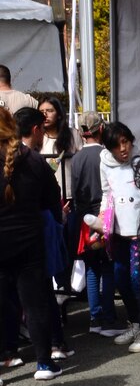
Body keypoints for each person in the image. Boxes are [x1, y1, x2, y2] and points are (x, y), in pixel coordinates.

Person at [0, 107, 62, 380]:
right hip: (29, 241)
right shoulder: (34, 161)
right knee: (35, 303)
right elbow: (53, 199)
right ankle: (44, 363)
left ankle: (6, 357)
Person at [16, 106, 73, 362]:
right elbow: (52, 197)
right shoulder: (33, 160)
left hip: (13, 235)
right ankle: (53, 346)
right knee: (41, 294)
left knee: (19, 294)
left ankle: (12, 347)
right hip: (37, 230)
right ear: (37, 129)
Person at [99, 121, 140, 353]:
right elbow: (106, 194)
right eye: (117, 144)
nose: (123, 148)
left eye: (126, 142)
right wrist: (102, 220)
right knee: (121, 279)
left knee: (138, 280)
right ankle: (135, 322)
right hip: (118, 232)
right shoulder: (104, 164)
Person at [70, 111, 124, 337]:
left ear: (82, 133)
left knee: (91, 269)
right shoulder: (105, 155)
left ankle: (95, 318)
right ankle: (109, 320)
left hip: (84, 220)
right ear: (101, 129)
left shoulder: (75, 158)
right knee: (108, 268)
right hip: (105, 217)